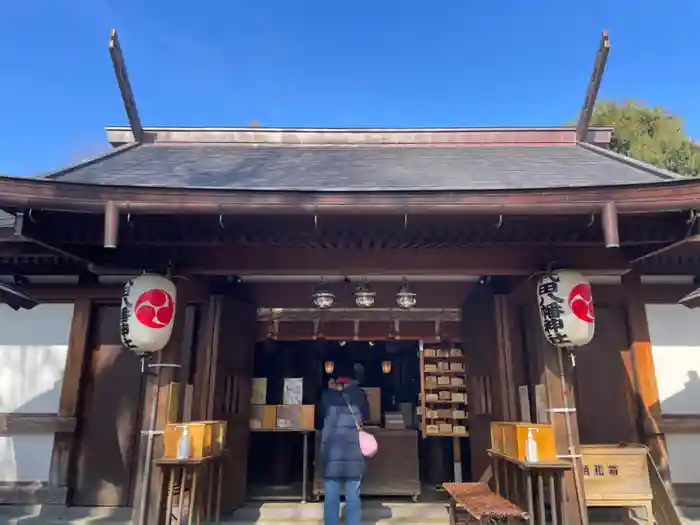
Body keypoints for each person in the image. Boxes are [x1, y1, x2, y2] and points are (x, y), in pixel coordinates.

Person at [319, 364, 370, 525]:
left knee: (331, 494)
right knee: (353, 495)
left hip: (332, 453)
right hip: (354, 452)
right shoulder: (359, 395)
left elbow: (319, 420)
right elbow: (367, 416)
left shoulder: (327, 396)